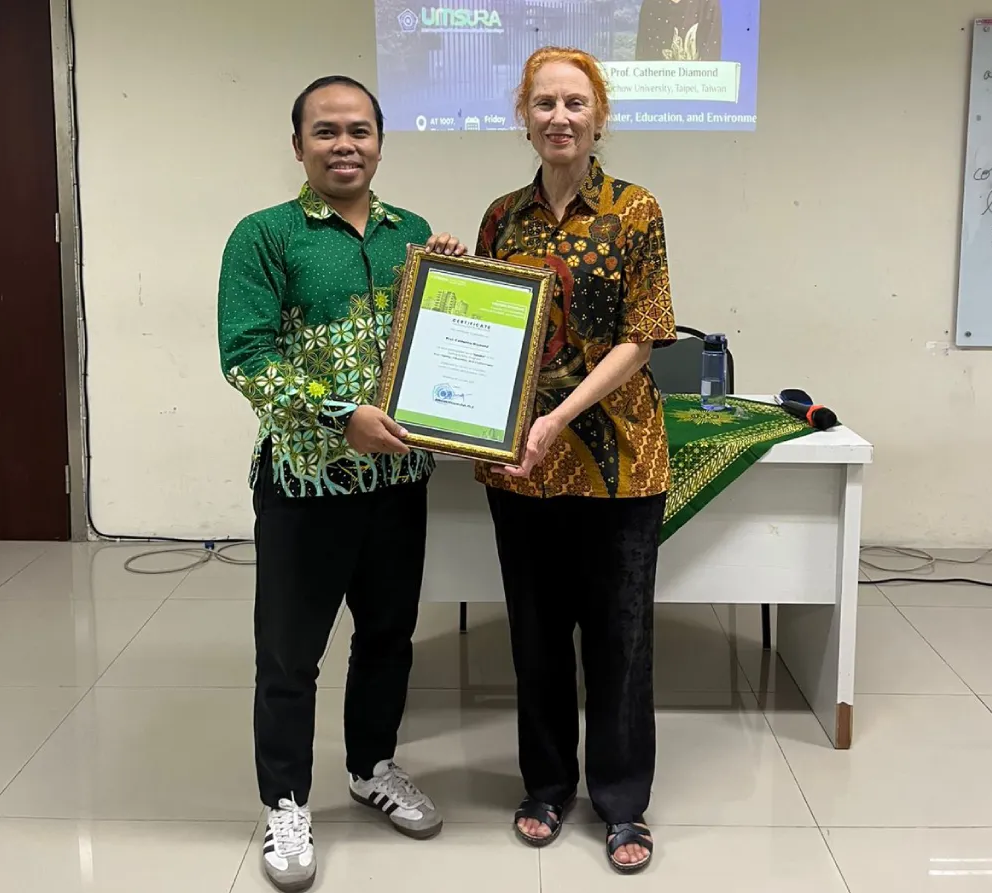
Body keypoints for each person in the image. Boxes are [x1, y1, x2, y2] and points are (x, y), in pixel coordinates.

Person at [217, 75, 466, 892]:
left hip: (398, 480)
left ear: (381, 141)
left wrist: (459, 286)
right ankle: (285, 801)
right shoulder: (264, 236)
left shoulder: (414, 233)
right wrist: (338, 415)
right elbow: (246, 357)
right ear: (298, 146)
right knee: (289, 656)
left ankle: (370, 768)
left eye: (359, 129)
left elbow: (437, 340)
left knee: (388, 640)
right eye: (325, 131)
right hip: (305, 486)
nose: (344, 144)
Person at [473, 47, 677, 874]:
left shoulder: (635, 210)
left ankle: (622, 803)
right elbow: (481, 331)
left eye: (576, 103)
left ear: (599, 117)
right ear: (523, 114)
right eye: (545, 102)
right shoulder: (500, 218)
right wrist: (446, 266)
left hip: (618, 458)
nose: (560, 117)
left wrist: (558, 415)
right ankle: (547, 786)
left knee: (621, 639)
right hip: (520, 462)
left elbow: (645, 334)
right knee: (535, 634)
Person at [636, 0, 722, 62]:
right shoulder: (650, 5)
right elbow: (643, 67)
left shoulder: (708, 4)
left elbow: (712, 66)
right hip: (658, 85)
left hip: (697, 84)